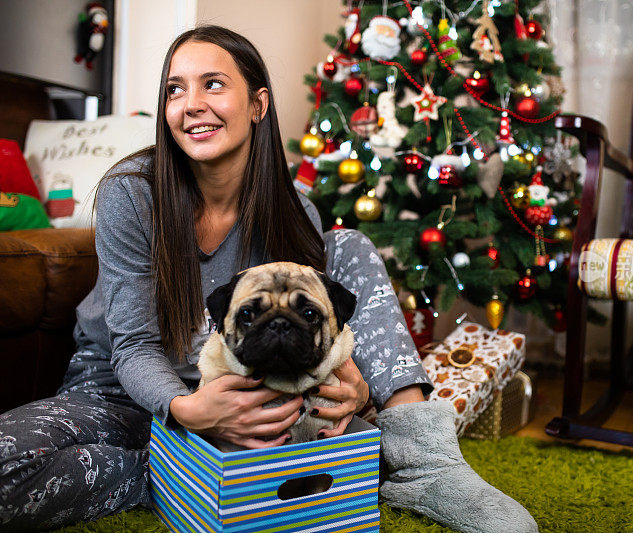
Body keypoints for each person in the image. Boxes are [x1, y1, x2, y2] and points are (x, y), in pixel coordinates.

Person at [0, 26, 537, 533]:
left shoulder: (295, 212)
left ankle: (425, 464)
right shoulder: (131, 193)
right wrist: (188, 414)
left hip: (256, 399)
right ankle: (168, 476)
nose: (192, 105)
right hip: (123, 394)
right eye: (175, 90)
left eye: (214, 84)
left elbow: (314, 320)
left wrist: (348, 380)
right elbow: (134, 346)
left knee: (347, 245)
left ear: (258, 104)